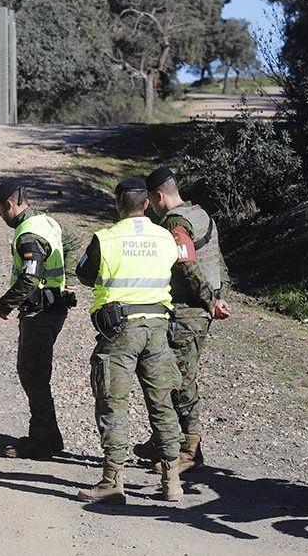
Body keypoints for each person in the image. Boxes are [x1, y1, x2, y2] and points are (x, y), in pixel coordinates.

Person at [74, 177, 186, 504]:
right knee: (162, 403)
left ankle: (113, 481)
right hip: (157, 327)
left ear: (118, 203)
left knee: (113, 402)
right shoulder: (165, 236)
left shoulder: (106, 239)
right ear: (147, 203)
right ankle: (172, 480)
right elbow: (176, 266)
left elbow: (84, 274)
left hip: (119, 329)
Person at [133, 167, 231, 474]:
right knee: (176, 375)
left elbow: (187, 265)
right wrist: (219, 295)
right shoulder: (203, 215)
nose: (150, 206)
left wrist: (208, 300)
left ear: (159, 195)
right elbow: (218, 259)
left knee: (179, 379)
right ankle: (164, 440)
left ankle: (189, 449)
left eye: (151, 200)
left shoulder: (175, 222)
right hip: (202, 307)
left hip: (187, 312)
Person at [0, 180, 83, 460]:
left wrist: (6, 302)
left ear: (9, 205)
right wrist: (70, 279)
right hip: (52, 308)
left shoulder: (28, 234)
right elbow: (74, 240)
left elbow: (30, 277)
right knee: (37, 371)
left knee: (32, 372)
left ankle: (41, 441)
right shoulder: (47, 222)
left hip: (40, 312)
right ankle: (50, 436)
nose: (0, 216)